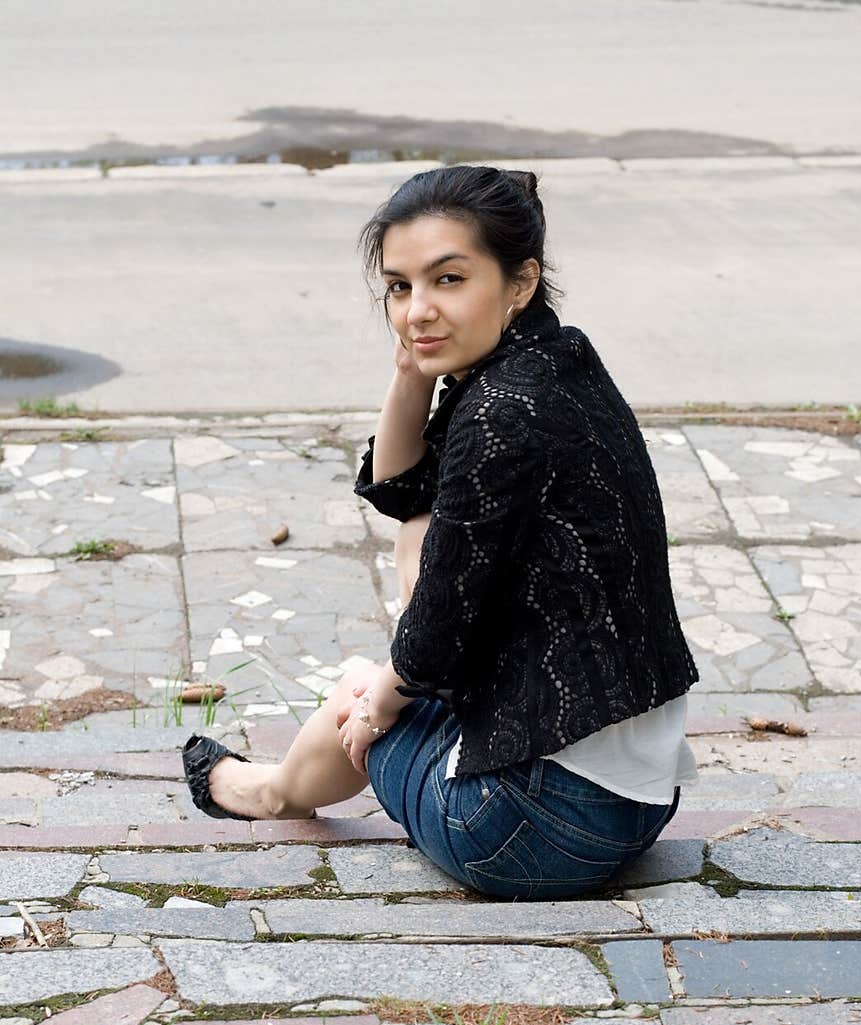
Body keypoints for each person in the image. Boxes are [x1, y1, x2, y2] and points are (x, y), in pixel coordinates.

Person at [183, 163, 701, 902]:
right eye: (400, 287)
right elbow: (402, 491)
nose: (417, 310)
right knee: (419, 536)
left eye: (448, 280)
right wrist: (411, 373)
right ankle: (278, 786)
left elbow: (434, 631)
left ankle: (267, 796)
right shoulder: (556, 363)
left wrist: (379, 700)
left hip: (529, 834)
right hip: (637, 808)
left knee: (363, 684)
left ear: (519, 282)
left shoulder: (502, 411)